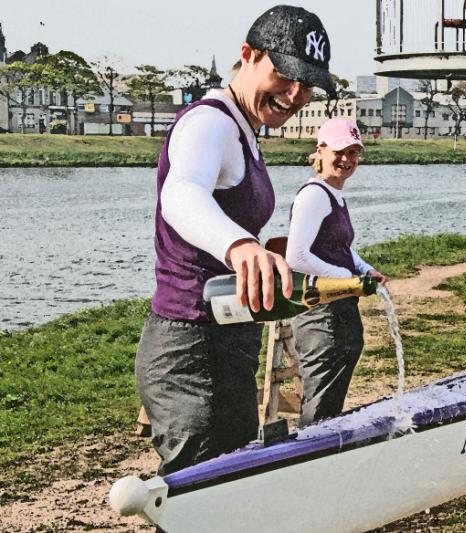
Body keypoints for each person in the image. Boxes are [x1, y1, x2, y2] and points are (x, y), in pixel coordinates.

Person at [135, 5, 336, 476]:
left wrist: (266, 251)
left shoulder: (244, 128)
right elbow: (182, 195)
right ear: (248, 55)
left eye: (307, 84)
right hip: (191, 344)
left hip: (226, 340)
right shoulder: (211, 122)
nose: (295, 94)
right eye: (284, 74)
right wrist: (241, 246)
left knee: (233, 481)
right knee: (201, 491)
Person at [286, 118, 386, 427]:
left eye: (353, 152)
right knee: (321, 400)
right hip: (320, 310)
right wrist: (347, 279)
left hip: (337, 305)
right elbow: (296, 256)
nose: (346, 159)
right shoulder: (314, 195)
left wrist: (363, 268)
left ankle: (323, 443)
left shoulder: (332, 194)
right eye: (339, 151)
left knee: (332, 393)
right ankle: (311, 448)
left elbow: (338, 246)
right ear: (320, 151)